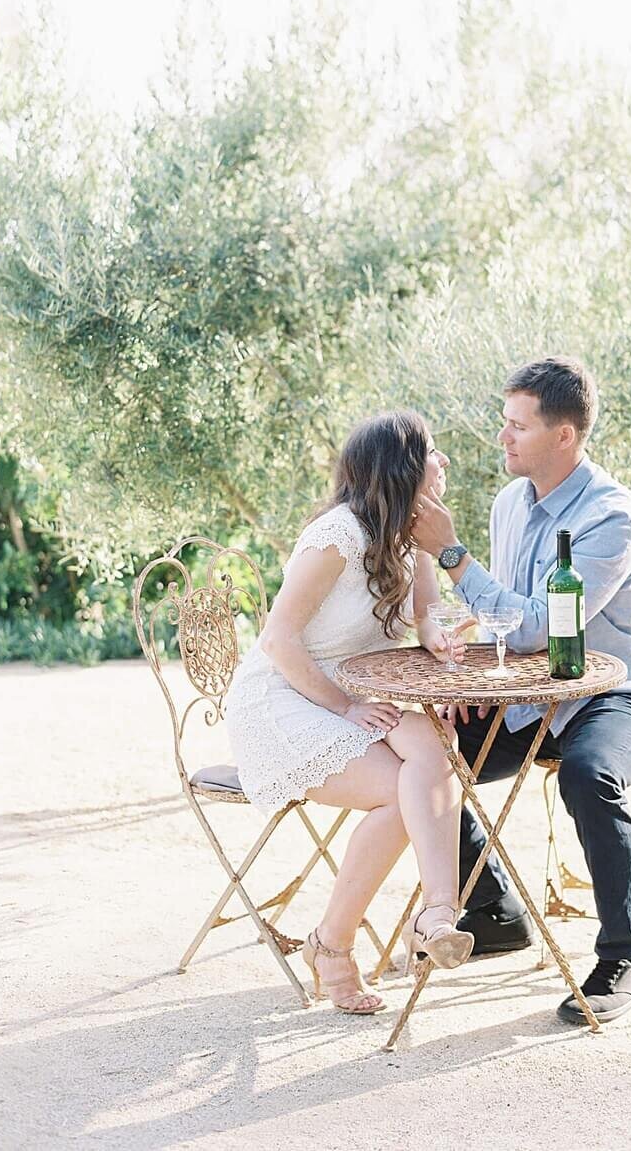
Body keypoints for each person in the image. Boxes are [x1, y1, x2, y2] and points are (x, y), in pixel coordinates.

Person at [410, 357, 631, 1025]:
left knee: (587, 773)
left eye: (517, 427)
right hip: (531, 695)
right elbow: (507, 621)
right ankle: (495, 911)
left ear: (565, 436)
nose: (502, 438)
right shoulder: (510, 501)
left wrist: (451, 555)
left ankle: (628, 954)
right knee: (421, 756)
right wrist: (469, 683)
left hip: (620, 696)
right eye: (504, 423)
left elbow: (536, 623)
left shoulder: (612, 516)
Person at [224, 411, 474, 1015]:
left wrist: (437, 642)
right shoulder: (336, 536)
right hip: (284, 698)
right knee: (399, 794)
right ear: (403, 469)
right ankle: (331, 946)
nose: (443, 463)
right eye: (433, 453)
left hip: (359, 693)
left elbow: (425, 618)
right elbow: (279, 640)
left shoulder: (408, 537)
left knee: (438, 750)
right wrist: (347, 707)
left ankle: (438, 915)